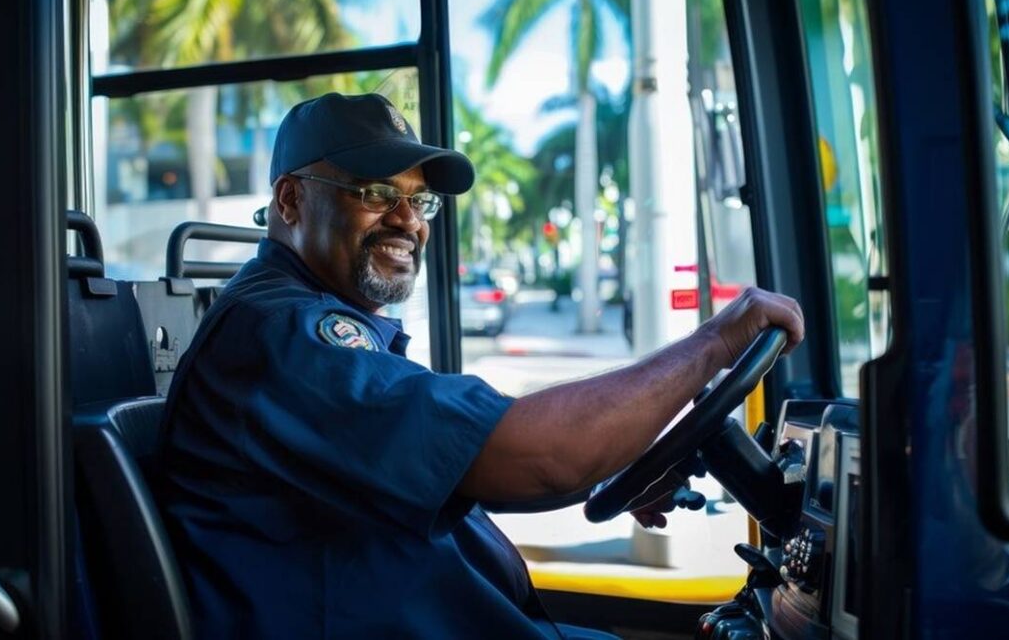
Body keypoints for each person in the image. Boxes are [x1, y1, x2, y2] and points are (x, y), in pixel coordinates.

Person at [159, 92, 805, 639]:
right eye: (377, 192)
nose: (407, 220)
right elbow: (534, 456)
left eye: (420, 201)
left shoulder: (313, 320)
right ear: (291, 200)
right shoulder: (287, 334)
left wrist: (616, 464)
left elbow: (457, 464)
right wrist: (713, 343)